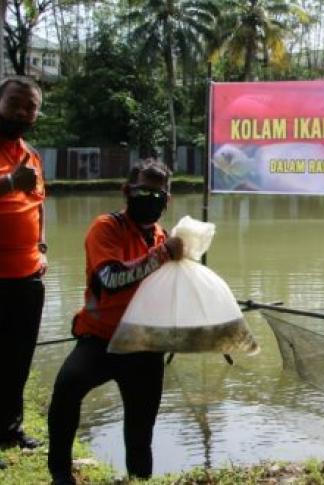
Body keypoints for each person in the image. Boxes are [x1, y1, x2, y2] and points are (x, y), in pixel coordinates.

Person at [47, 159, 183, 485]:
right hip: (100, 340)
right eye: (143, 191)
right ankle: (61, 474)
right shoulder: (107, 227)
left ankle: (139, 479)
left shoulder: (164, 237)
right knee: (66, 390)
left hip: (144, 344)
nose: (150, 199)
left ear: (168, 201)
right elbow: (111, 278)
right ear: (126, 191)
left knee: (140, 429)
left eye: (158, 194)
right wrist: (163, 254)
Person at [0, 76, 45, 467]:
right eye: (16, 102)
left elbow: (38, 204)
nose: (22, 112)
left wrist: (42, 245)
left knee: (18, 360)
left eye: (30, 106)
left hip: (27, 275)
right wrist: (10, 182)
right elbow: (16, 188)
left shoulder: (31, 155)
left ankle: (9, 431)